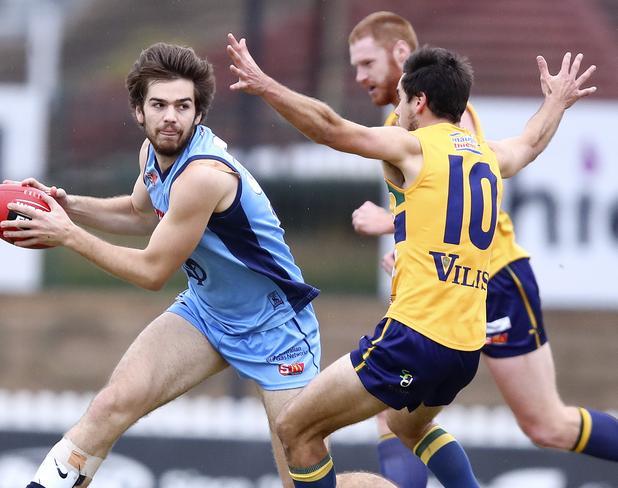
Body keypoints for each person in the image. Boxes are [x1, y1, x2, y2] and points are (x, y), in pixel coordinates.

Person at [227, 30, 596, 488]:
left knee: (295, 429)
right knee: (407, 425)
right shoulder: (487, 153)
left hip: (415, 338)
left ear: (419, 101)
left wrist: (266, 85)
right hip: (464, 349)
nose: (396, 111)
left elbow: (330, 127)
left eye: (400, 100)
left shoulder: (414, 147)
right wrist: (556, 102)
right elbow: (531, 142)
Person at [1, 42, 322, 488]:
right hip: (207, 313)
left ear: (199, 114)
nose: (171, 116)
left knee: (299, 477)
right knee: (110, 406)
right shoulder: (152, 155)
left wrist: (67, 235)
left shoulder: (203, 175)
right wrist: (66, 205)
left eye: (182, 106)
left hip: (276, 329)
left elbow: (152, 272)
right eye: (159, 105)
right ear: (138, 111)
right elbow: (137, 212)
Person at [347, 12, 618, 488]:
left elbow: (467, 197)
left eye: (366, 62)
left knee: (546, 424)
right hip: (448, 280)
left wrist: (393, 223)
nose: (360, 76)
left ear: (399, 56)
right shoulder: (399, 123)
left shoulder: (449, 119)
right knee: (395, 413)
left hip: (491, 276)